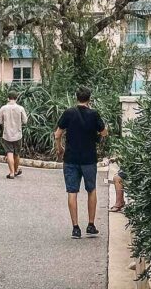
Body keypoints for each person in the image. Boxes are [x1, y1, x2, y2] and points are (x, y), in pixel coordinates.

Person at [54, 86, 108, 239]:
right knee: (91, 190)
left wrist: (59, 148)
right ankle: (91, 225)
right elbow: (104, 132)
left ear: (76, 97)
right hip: (89, 159)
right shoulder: (94, 114)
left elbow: (57, 134)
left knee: (72, 192)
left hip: (71, 158)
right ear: (89, 99)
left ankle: (75, 228)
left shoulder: (69, 113)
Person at [0, 90, 28, 179]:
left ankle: (11, 173)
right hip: (18, 134)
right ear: (17, 98)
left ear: (8, 98)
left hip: (7, 134)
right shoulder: (20, 108)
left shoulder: (3, 108)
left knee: (9, 153)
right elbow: (25, 121)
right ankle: (15, 170)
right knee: (16, 154)